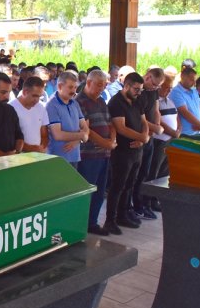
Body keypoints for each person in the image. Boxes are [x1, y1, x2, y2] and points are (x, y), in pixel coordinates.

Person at [105, 72, 150, 235]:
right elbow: (120, 127)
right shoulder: (116, 102)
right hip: (122, 151)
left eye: (141, 89)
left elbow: (144, 121)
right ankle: (110, 220)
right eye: (136, 89)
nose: (139, 92)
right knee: (117, 186)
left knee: (130, 184)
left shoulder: (138, 100)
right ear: (127, 86)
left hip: (137, 149)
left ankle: (123, 214)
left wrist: (144, 137)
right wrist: (142, 138)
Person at [75, 69, 117, 236]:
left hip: (104, 153)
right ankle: (81, 223)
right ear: (89, 83)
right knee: (88, 190)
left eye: (104, 85)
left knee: (100, 190)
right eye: (99, 85)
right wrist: (106, 143)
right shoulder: (79, 102)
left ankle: (92, 222)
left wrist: (112, 140)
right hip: (88, 155)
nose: (101, 88)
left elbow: (110, 123)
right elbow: (88, 131)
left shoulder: (101, 101)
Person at [130, 67, 164, 220]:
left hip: (150, 137)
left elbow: (156, 110)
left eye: (158, 86)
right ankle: (134, 206)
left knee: (146, 173)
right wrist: (152, 128)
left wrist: (155, 128)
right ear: (148, 77)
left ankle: (143, 204)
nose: (156, 88)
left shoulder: (154, 92)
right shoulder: (139, 92)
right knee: (134, 175)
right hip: (139, 136)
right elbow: (138, 116)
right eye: (155, 84)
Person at [45, 71, 89, 168]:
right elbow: (58, 135)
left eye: (75, 87)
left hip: (74, 156)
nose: (73, 91)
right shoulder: (51, 105)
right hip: (58, 158)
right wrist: (81, 135)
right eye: (70, 87)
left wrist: (77, 140)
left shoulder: (74, 103)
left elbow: (85, 129)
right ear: (60, 86)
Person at [9, 76, 49, 153]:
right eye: (34, 96)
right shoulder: (11, 108)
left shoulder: (41, 108)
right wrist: (32, 149)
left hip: (38, 157)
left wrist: (41, 148)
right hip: (17, 158)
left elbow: (44, 134)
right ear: (24, 92)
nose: (37, 100)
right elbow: (10, 138)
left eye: (39, 97)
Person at [170, 66, 200, 135]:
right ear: (182, 76)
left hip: (198, 132)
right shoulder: (176, 92)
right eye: (191, 80)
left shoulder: (194, 91)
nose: (194, 83)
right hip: (186, 134)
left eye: (195, 81)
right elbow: (184, 112)